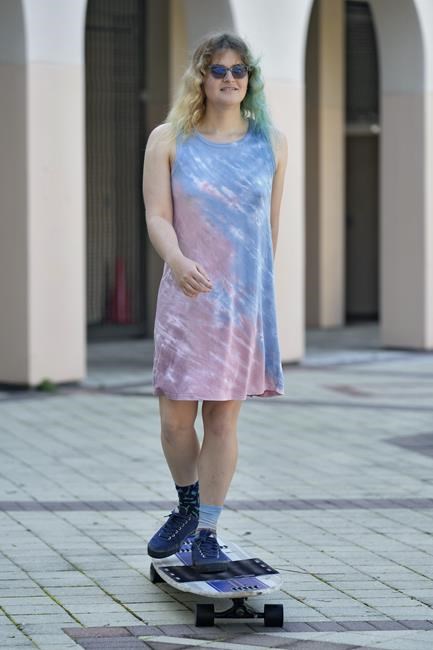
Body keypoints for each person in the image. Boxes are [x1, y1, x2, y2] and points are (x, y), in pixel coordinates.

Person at [142, 32, 287, 573]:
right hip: (186, 299)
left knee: (223, 419)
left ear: (250, 79)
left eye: (239, 70)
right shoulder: (169, 139)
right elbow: (157, 215)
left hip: (240, 305)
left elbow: (270, 229)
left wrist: (259, 299)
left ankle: (206, 530)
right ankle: (186, 505)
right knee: (175, 420)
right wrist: (177, 261)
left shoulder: (272, 143)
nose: (230, 79)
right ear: (201, 77)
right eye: (219, 70)